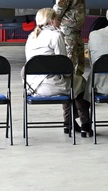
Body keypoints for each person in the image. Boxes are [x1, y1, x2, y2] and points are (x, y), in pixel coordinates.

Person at [24, 8, 92, 138]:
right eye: (57, 18)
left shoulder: (31, 37)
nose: (59, 21)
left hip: (33, 87)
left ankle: (68, 124)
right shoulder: (56, 35)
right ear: (51, 21)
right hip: (52, 85)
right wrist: (69, 76)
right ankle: (85, 126)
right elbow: (63, 65)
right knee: (80, 83)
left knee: (70, 84)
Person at [54, 0, 88, 78]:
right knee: (70, 63)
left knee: (80, 63)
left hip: (76, 31)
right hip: (68, 32)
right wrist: (55, 23)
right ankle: (69, 91)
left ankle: (77, 90)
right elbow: (59, 7)